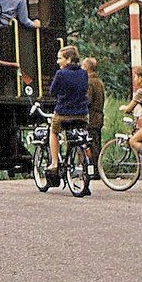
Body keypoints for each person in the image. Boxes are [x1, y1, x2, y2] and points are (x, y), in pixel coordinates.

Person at [46, 45, 89, 194]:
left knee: (54, 131)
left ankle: (54, 163)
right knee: (79, 138)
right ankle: (83, 165)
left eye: (60, 58)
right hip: (83, 114)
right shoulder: (84, 73)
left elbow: (52, 91)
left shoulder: (60, 74)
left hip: (63, 112)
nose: (58, 61)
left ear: (68, 59)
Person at [82, 56, 106, 168]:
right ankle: (97, 168)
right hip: (99, 117)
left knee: (90, 144)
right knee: (96, 143)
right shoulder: (99, 81)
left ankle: (92, 168)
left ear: (87, 67)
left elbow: (87, 100)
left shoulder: (89, 82)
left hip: (91, 118)